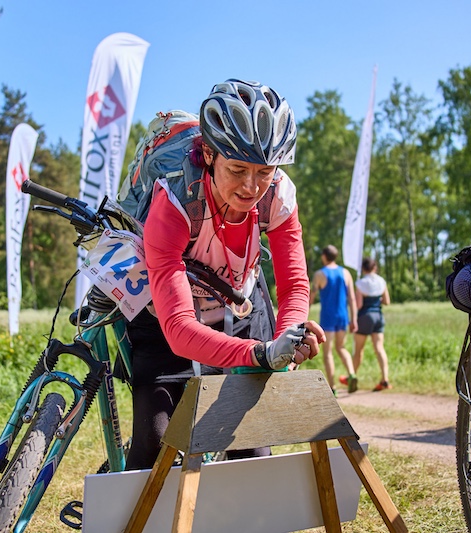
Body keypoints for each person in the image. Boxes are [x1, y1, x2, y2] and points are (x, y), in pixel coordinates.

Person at [124, 79, 326, 470]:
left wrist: (289, 339)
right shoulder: (175, 199)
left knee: (252, 451)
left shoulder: (278, 195)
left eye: (264, 171)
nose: (251, 186)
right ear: (209, 155)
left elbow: (294, 286)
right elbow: (178, 328)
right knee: (154, 447)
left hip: (238, 307)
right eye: (237, 169)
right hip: (164, 318)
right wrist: (260, 354)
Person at [309, 245, 358, 394]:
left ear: (324, 256)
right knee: (341, 347)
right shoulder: (346, 273)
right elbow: (352, 298)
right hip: (343, 316)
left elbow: (311, 297)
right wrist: (354, 319)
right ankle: (351, 374)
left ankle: (333, 387)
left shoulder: (319, 274)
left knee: (328, 352)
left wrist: (304, 315)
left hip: (328, 317)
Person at [352, 257, 392, 391]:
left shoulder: (360, 283)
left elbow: (359, 305)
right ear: (375, 267)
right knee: (379, 348)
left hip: (365, 316)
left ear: (363, 268)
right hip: (378, 316)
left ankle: (352, 375)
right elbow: (387, 301)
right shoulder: (382, 281)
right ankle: (385, 379)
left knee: (359, 350)